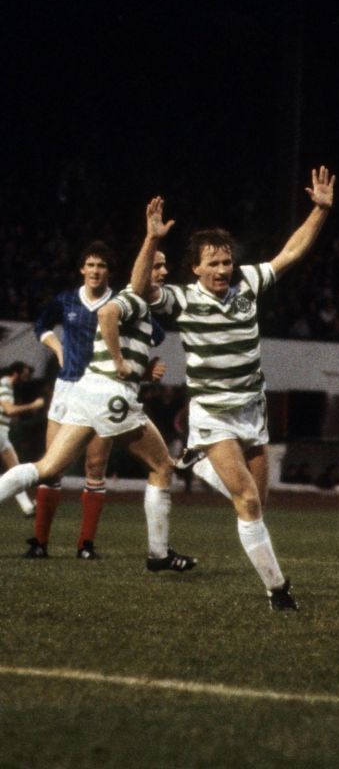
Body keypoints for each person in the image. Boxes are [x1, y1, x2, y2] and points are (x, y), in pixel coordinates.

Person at [136, 166, 335, 611]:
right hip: (214, 415)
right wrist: (151, 240)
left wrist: (320, 211)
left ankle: (199, 468)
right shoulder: (182, 299)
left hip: (252, 410)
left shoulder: (248, 282)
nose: (223, 270)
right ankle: (278, 590)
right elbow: (139, 289)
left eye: (227, 262)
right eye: (214, 263)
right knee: (246, 500)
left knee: (258, 502)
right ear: (196, 268)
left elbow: (290, 252)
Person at [2, 199, 195, 571]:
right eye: (157, 265)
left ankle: (95, 544)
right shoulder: (133, 299)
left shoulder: (140, 305)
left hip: (88, 390)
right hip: (109, 395)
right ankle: (159, 555)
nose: (163, 271)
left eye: (164, 266)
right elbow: (107, 313)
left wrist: (139, 368)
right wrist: (121, 363)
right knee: (161, 467)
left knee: (47, 468)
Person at [29, 241, 118, 559]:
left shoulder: (120, 303)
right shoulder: (66, 299)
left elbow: (153, 334)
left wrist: (147, 365)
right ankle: (40, 543)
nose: (95, 270)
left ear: (109, 271)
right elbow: (41, 325)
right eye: (90, 265)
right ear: (82, 269)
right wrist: (58, 348)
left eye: (101, 265)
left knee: (95, 466)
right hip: (68, 387)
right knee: (50, 468)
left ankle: (85, 545)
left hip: (104, 390)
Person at [0, 362, 47, 517]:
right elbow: (9, 410)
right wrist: (33, 405)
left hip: (2, 433)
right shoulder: (4, 384)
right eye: (25, 374)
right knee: (15, 470)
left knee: (15, 469)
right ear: (16, 373)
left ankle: (27, 507)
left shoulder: (8, 386)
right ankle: (28, 507)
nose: (26, 378)